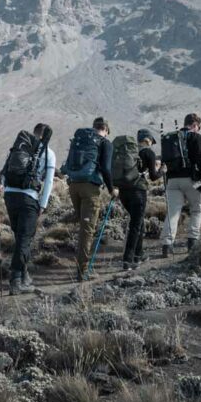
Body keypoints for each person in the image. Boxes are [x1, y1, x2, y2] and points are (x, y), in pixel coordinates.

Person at [1, 123, 56, 295]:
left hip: (10, 196)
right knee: (24, 240)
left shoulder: (18, 148)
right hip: (28, 198)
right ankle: (16, 281)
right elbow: (49, 181)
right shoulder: (48, 153)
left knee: (20, 238)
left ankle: (24, 276)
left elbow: (5, 172)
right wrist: (43, 204)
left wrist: (6, 191)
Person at [60, 117, 116, 281]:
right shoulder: (104, 143)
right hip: (90, 189)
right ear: (106, 130)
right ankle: (83, 271)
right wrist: (112, 189)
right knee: (87, 231)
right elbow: (106, 168)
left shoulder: (81, 139)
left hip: (73, 186)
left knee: (83, 227)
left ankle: (80, 266)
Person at [159, 114, 201, 258]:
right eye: (198, 127)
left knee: (173, 213)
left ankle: (167, 245)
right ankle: (192, 242)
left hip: (172, 181)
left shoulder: (171, 138)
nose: (198, 130)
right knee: (196, 209)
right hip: (193, 180)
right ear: (195, 125)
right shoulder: (196, 137)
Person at [114, 130, 162, 271]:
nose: (151, 144)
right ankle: (128, 260)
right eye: (151, 142)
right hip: (138, 191)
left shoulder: (129, 152)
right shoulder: (148, 153)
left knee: (138, 222)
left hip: (123, 191)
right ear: (147, 140)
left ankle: (138, 254)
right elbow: (153, 176)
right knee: (135, 225)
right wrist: (162, 170)